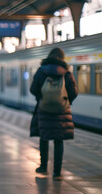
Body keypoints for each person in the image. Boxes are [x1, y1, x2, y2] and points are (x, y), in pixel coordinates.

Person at [30, 47, 78, 180]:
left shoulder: (41, 71)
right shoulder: (66, 72)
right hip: (61, 111)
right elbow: (74, 91)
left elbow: (33, 89)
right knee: (58, 140)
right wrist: (65, 101)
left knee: (44, 137)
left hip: (44, 110)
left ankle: (43, 167)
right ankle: (57, 173)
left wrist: (42, 97)